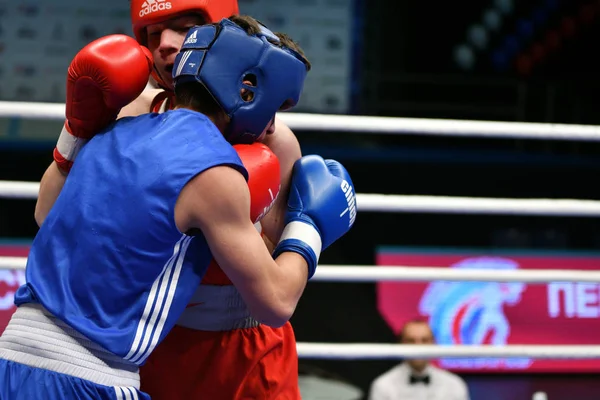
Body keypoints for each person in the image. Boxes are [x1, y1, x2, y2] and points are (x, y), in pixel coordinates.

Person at [0, 17, 356, 400]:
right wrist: (309, 226)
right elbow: (276, 302)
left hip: (11, 356)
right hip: (89, 376)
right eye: (275, 107)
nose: (271, 127)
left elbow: (46, 215)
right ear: (247, 90)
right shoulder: (214, 172)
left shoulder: (114, 131)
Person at [368, 319, 470, 400]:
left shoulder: (454, 384)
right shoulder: (383, 385)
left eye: (424, 340)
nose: (418, 347)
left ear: (433, 344)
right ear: (401, 344)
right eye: (411, 341)